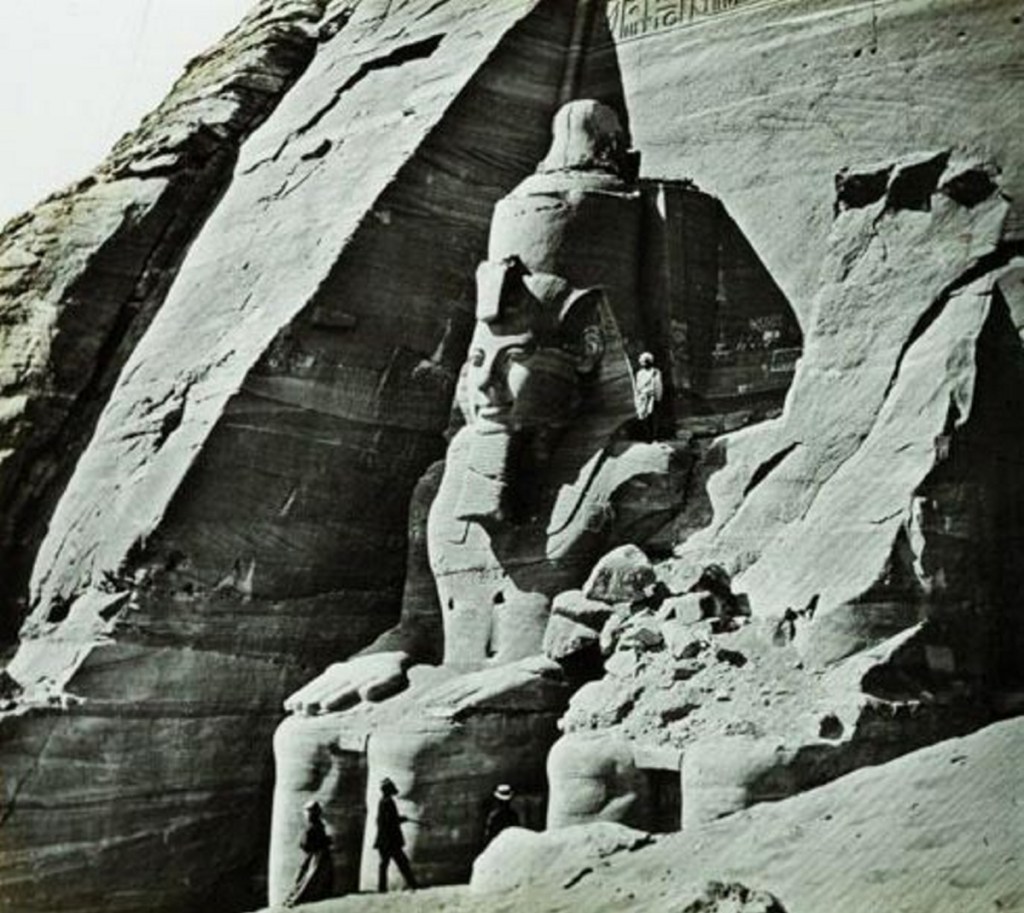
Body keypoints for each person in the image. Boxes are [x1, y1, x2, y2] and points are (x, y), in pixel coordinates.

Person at [282, 800, 333, 907]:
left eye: (308, 812)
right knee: (310, 876)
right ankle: (296, 898)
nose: (306, 814)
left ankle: (295, 898)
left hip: (317, 854)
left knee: (309, 876)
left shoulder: (314, 826)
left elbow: (304, 843)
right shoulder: (316, 826)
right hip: (318, 854)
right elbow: (305, 843)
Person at [374, 778, 418, 892]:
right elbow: (390, 821)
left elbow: (383, 821)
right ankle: (413, 884)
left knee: (384, 864)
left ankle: (382, 888)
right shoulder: (387, 802)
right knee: (402, 863)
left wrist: (399, 819)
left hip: (384, 840)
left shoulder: (382, 802)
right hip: (390, 841)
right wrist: (400, 819)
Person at [633, 351, 663, 440]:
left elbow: (658, 384)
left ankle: (654, 435)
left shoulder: (655, 372)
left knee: (653, 417)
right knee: (644, 417)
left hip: (652, 398)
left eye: (645, 361)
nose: (643, 364)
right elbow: (638, 386)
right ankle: (647, 436)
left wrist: (658, 396)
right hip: (643, 398)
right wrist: (639, 396)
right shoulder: (639, 373)